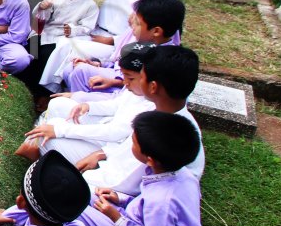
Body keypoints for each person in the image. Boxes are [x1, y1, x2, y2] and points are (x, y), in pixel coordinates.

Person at [78, 110, 203, 226]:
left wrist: (116, 218)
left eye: (134, 143)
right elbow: (146, 208)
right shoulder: (181, 174)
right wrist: (120, 198)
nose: (131, 145)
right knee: (84, 193)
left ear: (150, 159)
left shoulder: (162, 202)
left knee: (76, 208)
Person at [37, 0, 175, 91]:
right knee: (61, 43)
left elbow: (147, 33)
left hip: (121, 43)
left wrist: (112, 40)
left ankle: (52, 90)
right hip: (97, 33)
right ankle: (53, 89)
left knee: (68, 47)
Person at [79, 46, 206, 196]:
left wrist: (83, 178)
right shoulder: (169, 115)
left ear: (153, 87)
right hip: (116, 174)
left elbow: (123, 183)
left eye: (142, 75)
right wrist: (103, 154)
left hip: (128, 197)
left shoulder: (161, 134)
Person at [19, 42, 155, 162]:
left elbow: (114, 132)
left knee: (48, 136)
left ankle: (39, 164)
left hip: (108, 150)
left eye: (130, 78)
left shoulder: (151, 106)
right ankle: (38, 147)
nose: (125, 82)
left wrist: (61, 130)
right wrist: (89, 106)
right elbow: (116, 105)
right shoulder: (138, 90)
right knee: (57, 104)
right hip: (105, 131)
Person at [61, 0, 185, 96]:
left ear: (156, 31)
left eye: (137, 24)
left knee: (81, 71)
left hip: (123, 89)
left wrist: (114, 81)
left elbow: (138, 82)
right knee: (69, 69)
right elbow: (120, 63)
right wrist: (99, 63)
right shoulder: (142, 45)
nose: (132, 28)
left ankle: (81, 105)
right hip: (117, 76)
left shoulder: (161, 58)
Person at [22, 0, 99, 99]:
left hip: (63, 40)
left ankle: (39, 92)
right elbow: (40, 19)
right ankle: (22, 84)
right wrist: (43, 8)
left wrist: (73, 29)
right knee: (31, 49)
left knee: (47, 56)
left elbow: (87, 27)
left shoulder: (90, 6)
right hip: (45, 31)